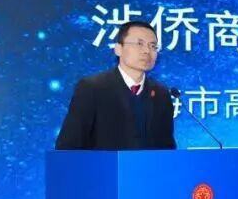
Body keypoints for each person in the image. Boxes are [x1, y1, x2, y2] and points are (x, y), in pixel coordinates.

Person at [55, 20, 177, 150]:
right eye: (139, 44)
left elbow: (167, 147)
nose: (147, 51)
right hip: (103, 164)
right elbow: (69, 145)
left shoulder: (161, 93)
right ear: (118, 49)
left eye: (153, 46)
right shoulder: (92, 88)